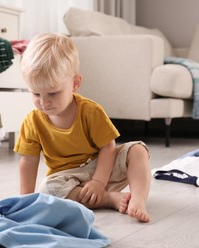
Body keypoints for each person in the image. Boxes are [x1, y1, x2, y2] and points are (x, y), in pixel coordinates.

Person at [14, 33, 151, 222]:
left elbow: (108, 147)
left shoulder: (90, 111)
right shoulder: (32, 122)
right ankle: (107, 199)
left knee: (137, 150)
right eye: (36, 93)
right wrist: (25, 201)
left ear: (75, 83)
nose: (44, 102)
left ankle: (138, 199)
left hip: (102, 167)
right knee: (47, 189)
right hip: (67, 180)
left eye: (52, 93)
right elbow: (28, 162)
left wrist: (98, 181)